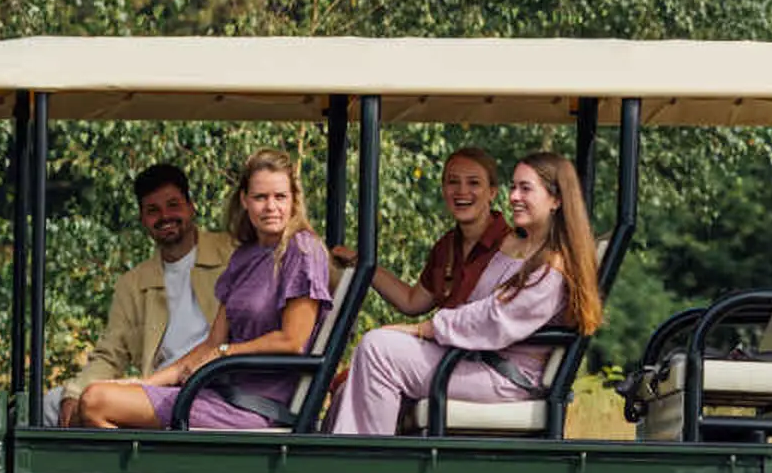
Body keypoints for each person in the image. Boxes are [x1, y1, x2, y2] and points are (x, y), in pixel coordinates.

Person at [329, 149, 600, 435]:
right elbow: (468, 306)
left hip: (504, 376)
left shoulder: (551, 268)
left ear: (556, 199)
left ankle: (366, 463)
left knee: (378, 349)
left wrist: (425, 329)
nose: (514, 198)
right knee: (372, 353)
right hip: (477, 362)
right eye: (513, 187)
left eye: (525, 189)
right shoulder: (519, 249)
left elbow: (494, 318)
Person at [74, 151, 333, 430]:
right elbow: (211, 344)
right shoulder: (245, 256)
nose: (271, 207)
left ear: (294, 200)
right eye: (260, 197)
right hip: (216, 393)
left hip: (255, 407)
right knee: (92, 400)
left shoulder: (302, 250)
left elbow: (292, 341)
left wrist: (226, 352)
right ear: (245, 201)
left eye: (280, 197)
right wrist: (145, 383)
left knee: (95, 402)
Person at [46, 165, 236, 424]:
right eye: (153, 211)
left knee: (95, 403)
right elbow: (110, 354)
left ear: (191, 207)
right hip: (156, 388)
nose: (165, 216)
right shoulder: (134, 283)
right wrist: (74, 392)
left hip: (213, 383)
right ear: (142, 219)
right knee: (51, 404)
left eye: (173, 205)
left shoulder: (232, 255)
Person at [338, 146, 509, 318]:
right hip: (447, 341)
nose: (462, 191)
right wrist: (360, 262)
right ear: (443, 189)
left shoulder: (512, 245)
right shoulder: (447, 246)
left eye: (474, 183)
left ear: (492, 192)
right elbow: (411, 302)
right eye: (453, 182)